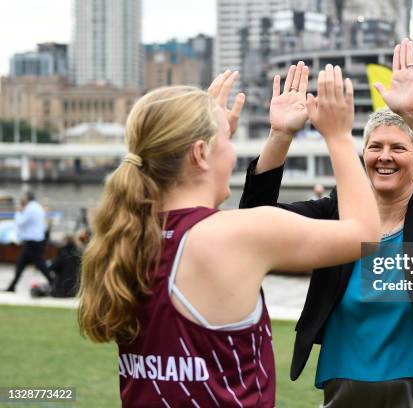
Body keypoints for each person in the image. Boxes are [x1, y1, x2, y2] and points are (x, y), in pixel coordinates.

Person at [77, 66, 380, 407]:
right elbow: (364, 233)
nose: (232, 153)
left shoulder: (130, 235)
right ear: (200, 154)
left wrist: (271, 135)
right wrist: (338, 135)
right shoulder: (231, 236)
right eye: (227, 140)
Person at [240, 39, 413, 407]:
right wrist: (280, 135)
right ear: (362, 156)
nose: (385, 157)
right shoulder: (332, 216)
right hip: (346, 383)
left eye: (398, 148)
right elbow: (255, 220)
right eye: (375, 147)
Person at [4, 191, 53, 292]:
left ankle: (53, 281)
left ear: (27, 199)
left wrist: (18, 211)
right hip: (36, 240)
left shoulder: (30, 208)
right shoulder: (37, 207)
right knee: (21, 264)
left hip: (32, 241)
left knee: (38, 264)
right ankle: (12, 286)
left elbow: (19, 222)